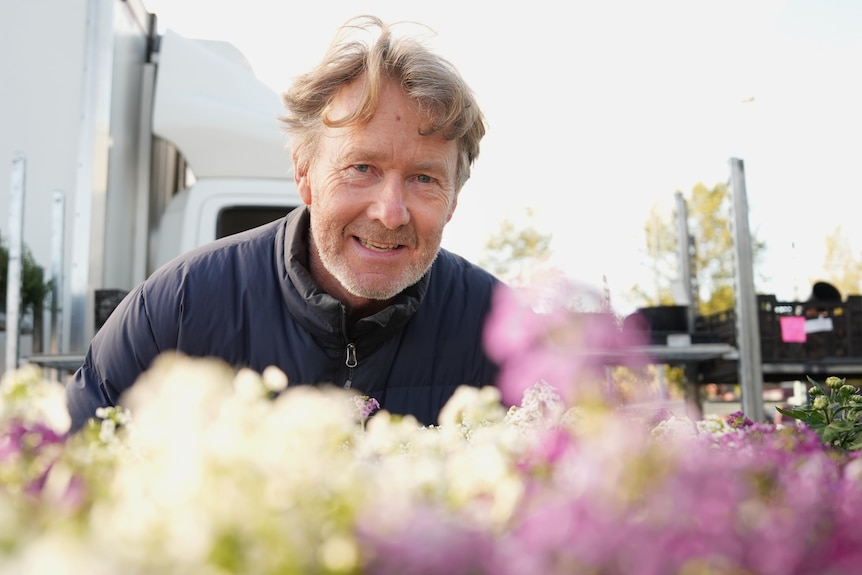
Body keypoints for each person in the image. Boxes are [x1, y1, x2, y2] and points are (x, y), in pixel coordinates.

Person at [64, 15, 501, 432]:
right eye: (362, 167)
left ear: (454, 199)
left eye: (423, 178)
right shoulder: (177, 309)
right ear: (303, 174)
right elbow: (65, 476)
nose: (390, 212)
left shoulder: (502, 336)